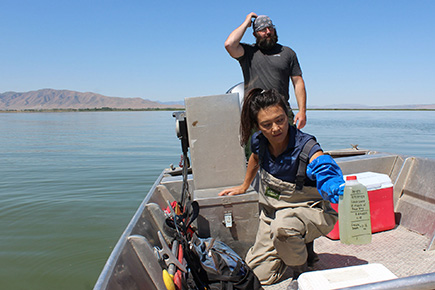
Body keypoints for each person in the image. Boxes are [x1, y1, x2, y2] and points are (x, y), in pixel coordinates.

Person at [219, 88, 344, 288]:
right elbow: (255, 158)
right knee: (259, 277)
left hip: (311, 212)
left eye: (280, 120)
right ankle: (292, 246)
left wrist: (331, 182)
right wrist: (244, 186)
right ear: (257, 127)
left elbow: (322, 164)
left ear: (288, 116)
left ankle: (301, 270)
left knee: (284, 227)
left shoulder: (306, 146)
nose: (275, 128)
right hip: (272, 214)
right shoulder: (259, 142)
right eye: (266, 125)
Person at [225, 13, 307, 129]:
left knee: (289, 147)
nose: (268, 32)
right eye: (262, 30)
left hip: (282, 113)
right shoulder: (248, 53)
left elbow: (298, 82)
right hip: (255, 116)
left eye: (271, 28)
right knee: (255, 147)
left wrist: (302, 111)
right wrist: (246, 23)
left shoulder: (288, 53)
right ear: (254, 34)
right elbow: (229, 44)